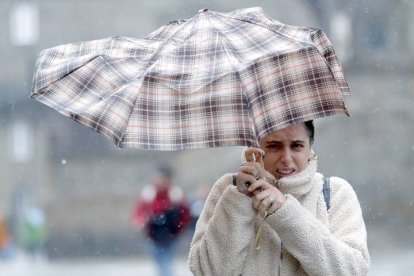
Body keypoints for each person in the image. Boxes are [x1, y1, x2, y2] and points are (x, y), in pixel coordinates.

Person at [188, 121, 370, 275]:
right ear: (255, 148)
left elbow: (352, 270)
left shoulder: (334, 192)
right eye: (274, 146)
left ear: (310, 147)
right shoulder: (229, 188)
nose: (286, 158)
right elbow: (206, 270)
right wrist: (240, 200)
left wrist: (286, 214)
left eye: (297, 146)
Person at [132, 165, 191, 276]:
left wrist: (178, 228)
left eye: (162, 178)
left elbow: (185, 215)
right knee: (160, 261)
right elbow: (139, 212)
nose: (159, 181)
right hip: (153, 235)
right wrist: (141, 221)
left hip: (170, 235)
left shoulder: (175, 195)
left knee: (165, 261)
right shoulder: (148, 195)